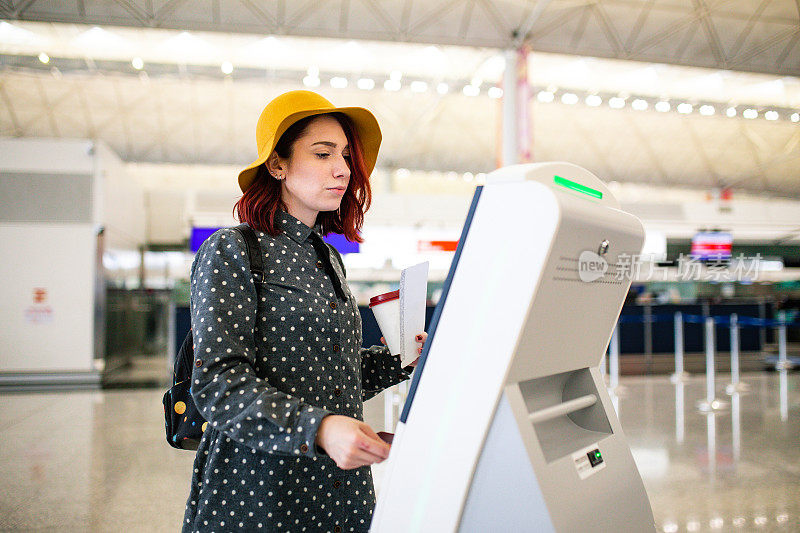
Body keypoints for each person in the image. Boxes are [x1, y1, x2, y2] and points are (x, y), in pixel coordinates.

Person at [182, 90, 427, 533]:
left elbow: (335, 374)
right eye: (322, 153)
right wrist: (321, 429)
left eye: (347, 156)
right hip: (260, 491)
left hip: (341, 490)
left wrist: (403, 360)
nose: (342, 169)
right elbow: (218, 384)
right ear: (277, 164)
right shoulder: (234, 249)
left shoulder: (328, 258)